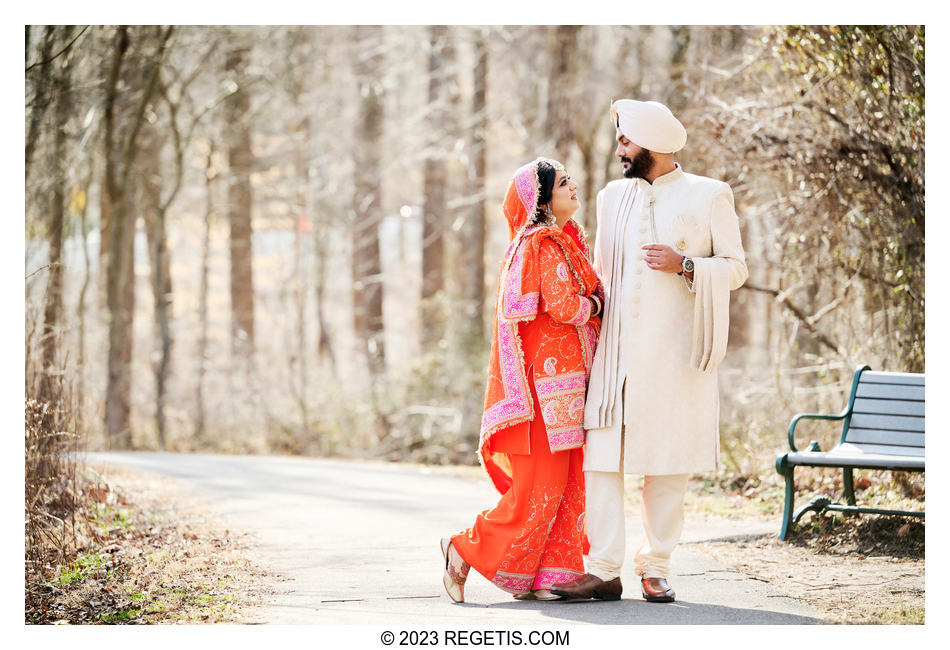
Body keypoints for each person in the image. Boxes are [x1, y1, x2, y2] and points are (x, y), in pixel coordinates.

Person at [551, 99, 748, 603]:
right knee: (601, 461)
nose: (619, 149)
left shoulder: (709, 195)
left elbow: (736, 268)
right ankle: (603, 569)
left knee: (666, 464)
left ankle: (656, 565)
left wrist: (685, 265)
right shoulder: (611, 196)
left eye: (625, 140)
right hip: (614, 354)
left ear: (654, 144)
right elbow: (599, 270)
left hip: (675, 356)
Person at [441, 158, 603, 602]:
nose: (573, 186)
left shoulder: (567, 242)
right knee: (538, 491)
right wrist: (599, 305)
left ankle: (550, 574)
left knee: (568, 488)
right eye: (563, 182)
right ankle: (463, 547)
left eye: (571, 179)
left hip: (567, 389)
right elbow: (565, 307)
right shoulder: (543, 243)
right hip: (541, 396)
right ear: (543, 199)